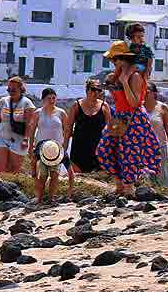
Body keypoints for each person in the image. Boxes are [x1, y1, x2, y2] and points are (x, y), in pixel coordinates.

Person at [95, 44, 162, 198]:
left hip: (134, 118)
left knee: (128, 153)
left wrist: (125, 82)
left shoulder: (135, 76)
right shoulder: (116, 74)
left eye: (114, 58)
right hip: (118, 117)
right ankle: (119, 184)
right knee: (104, 149)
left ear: (122, 59)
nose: (112, 61)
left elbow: (134, 103)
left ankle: (128, 189)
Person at [62, 79, 107, 198]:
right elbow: (68, 129)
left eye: (99, 90)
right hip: (79, 148)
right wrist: (64, 148)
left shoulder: (104, 106)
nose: (96, 92)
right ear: (87, 90)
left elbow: (109, 129)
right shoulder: (76, 106)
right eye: (93, 89)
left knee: (97, 179)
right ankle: (75, 198)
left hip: (98, 149)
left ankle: (95, 200)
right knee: (78, 178)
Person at [0, 76, 34, 175]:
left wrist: (26, 139)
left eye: (13, 89)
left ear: (20, 89)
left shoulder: (27, 103)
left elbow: (29, 123)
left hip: (19, 139)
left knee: (13, 169)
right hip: (1, 137)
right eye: (9, 89)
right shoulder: (3, 101)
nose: (10, 91)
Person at [31, 88, 67, 203]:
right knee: (42, 175)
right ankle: (39, 199)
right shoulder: (37, 113)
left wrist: (65, 146)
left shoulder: (61, 113)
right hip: (41, 149)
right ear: (43, 100)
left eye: (53, 98)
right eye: (49, 98)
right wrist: (30, 147)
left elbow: (67, 131)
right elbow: (31, 132)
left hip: (57, 149)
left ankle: (51, 199)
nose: (52, 100)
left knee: (55, 175)